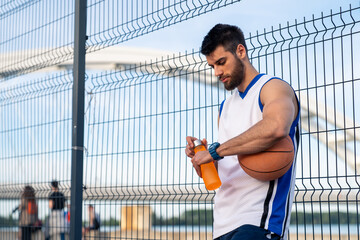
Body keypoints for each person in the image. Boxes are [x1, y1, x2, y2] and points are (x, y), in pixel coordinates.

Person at [185, 24, 300, 240]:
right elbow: (228, 166)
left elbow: (276, 126)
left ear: (241, 51)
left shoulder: (272, 88)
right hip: (221, 225)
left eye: (221, 62)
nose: (217, 72)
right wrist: (203, 160)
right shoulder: (225, 107)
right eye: (212, 66)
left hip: (258, 222)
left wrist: (216, 151)